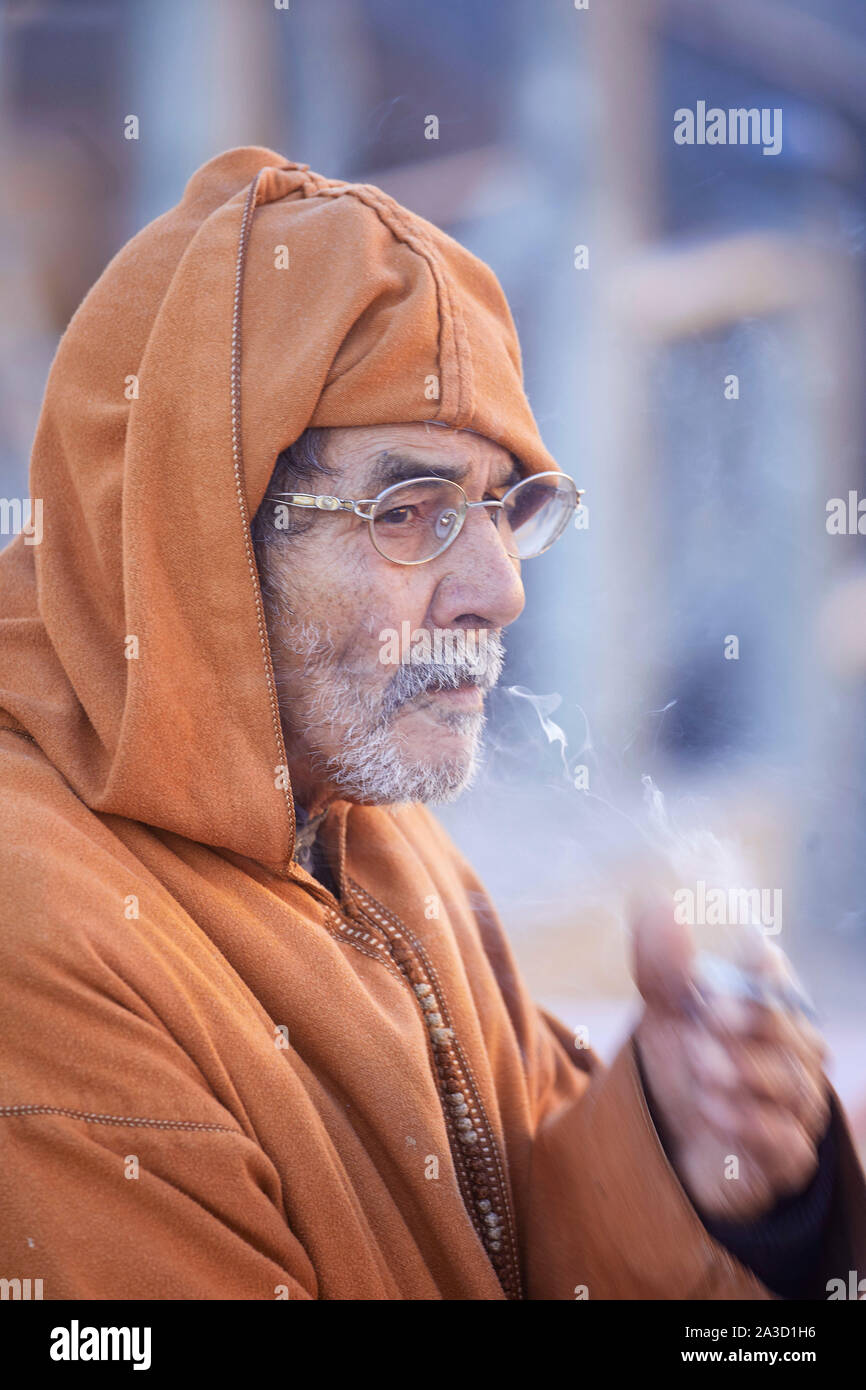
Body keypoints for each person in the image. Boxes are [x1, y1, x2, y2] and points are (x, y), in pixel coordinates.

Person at [0, 147, 862, 1300]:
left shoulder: (366, 824)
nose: (499, 588)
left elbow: (510, 1249)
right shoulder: (40, 931)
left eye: (509, 507)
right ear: (195, 525)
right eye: (411, 510)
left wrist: (688, 1153)